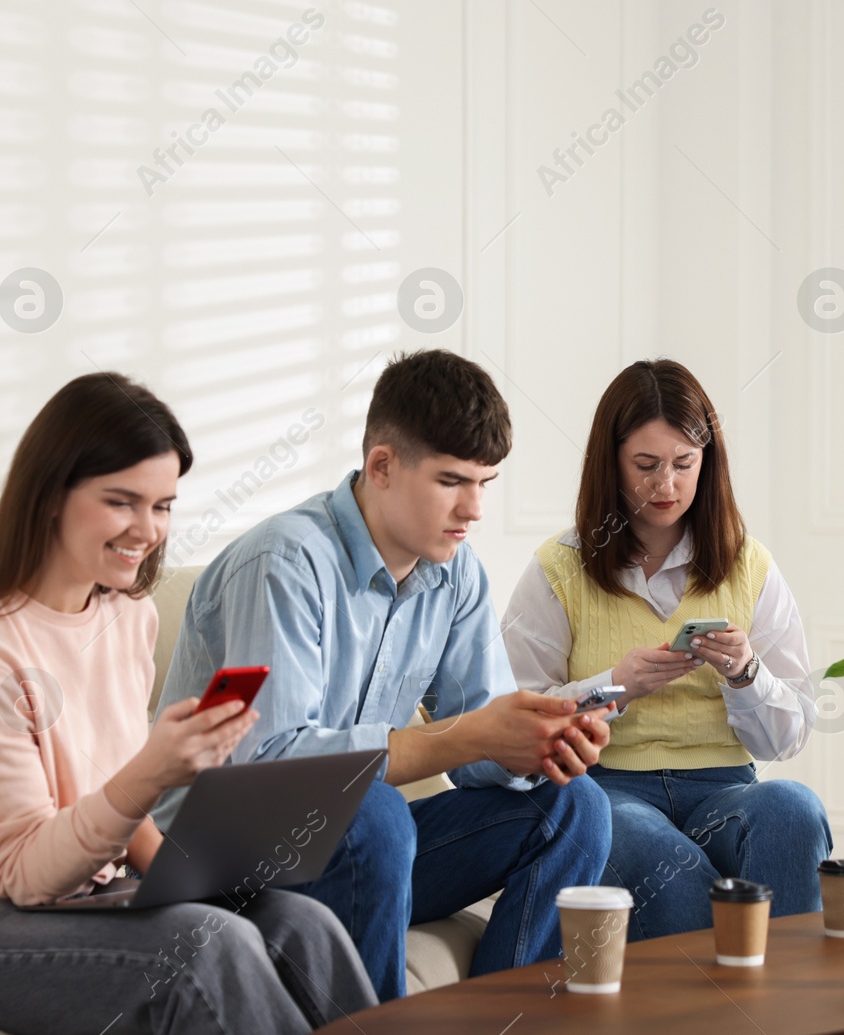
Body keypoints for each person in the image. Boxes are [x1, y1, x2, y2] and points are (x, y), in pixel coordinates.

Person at [0, 373, 374, 1035]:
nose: (148, 529)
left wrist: (190, 879)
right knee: (205, 946)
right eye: (122, 501)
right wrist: (153, 772)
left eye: (162, 505)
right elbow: (19, 873)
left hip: (73, 887)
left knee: (301, 922)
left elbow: (109, 797)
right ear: (49, 496)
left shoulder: (127, 615)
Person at [150, 349, 613, 1002]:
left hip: (358, 849)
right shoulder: (283, 562)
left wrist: (536, 744)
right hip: (225, 858)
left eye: (486, 483)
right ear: (382, 466)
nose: (474, 508)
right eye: (453, 480)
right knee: (375, 812)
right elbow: (269, 763)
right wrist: (465, 736)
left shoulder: (457, 573)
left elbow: (485, 750)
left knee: (575, 807)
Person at [503, 359, 831, 941]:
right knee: (654, 850)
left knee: (793, 810)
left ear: (708, 464)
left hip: (723, 787)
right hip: (610, 789)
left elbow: (788, 738)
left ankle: (781, 1011)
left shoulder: (749, 563)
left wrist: (746, 673)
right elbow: (517, 716)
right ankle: (735, 1009)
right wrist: (615, 687)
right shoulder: (559, 567)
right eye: (646, 466)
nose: (667, 486)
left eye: (684, 464)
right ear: (611, 463)